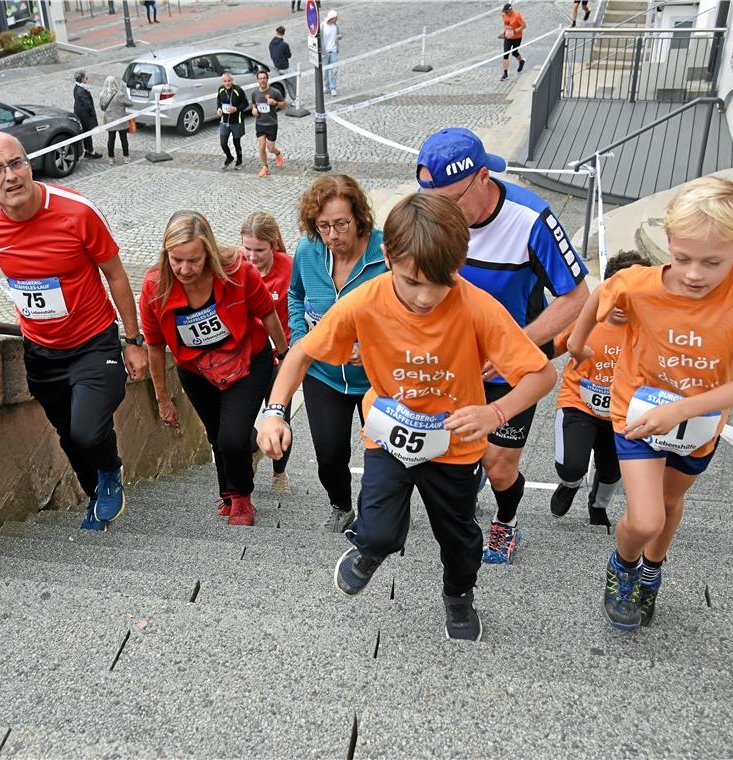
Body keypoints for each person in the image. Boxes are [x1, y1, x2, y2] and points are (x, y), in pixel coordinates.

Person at [259, 193, 556, 641]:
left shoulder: (477, 307)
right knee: (374, 530)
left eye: (441, 282)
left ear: (460, 262)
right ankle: (370, 550)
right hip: (388, 436)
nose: (425, 296)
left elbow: (542, 373)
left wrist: (496, 412)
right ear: (387, 256)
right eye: (411, 280)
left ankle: (459, 597)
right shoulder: (364, 301)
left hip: (454, 450)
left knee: (458, 541)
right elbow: (302, 352)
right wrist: (275, 412)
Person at [565, 176, 733, 631]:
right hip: (636, 413)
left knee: (669, 502)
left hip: (697, 426)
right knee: (644, 518)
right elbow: (605, 289)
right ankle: (623, 566)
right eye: (682, 259)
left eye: (712, 262)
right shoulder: (641, 284)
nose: (694, 274)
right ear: (668, 241)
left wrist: (683, 409)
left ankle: (652, 570)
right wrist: (579, 342)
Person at [416, 127, 588, 565]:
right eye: (435, 201)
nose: (442, 214)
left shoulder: (532, 218)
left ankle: (506, 521)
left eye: (452, 200)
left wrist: (514, 345)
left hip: (513, 364)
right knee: (456, 449)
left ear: (484, 177)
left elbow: (577, 297)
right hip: (454, 358)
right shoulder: (432, 212)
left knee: (498, 463)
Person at [0, 132, 146, 531]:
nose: (10, 176)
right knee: (68, 436)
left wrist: (133, 342)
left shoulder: (77, 212)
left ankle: (110, 469)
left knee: (86, 431)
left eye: (16, 163)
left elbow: (115, 275)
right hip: (41, 350)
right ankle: (95, 496)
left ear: (29, 165)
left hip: (93, 342)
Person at [140, 211, 289, 526]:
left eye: (193, 260)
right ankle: (229, 494)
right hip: (196, 370)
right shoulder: (155, 287)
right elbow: (154, 346)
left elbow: (268, 314)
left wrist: (284, 354)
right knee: (216, 435)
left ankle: (243, 497)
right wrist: (162, 399)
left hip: (249, 359)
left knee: (232, 438)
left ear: (208, 252)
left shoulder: (239, 273)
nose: (184, 269)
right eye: (176, 260)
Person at [288, 174, 388, 532]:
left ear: (359, 218)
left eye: (341, 225)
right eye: (323, 226)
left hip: (376, 378)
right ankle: (341, 505)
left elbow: (410, 310)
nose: (332, 236)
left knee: (382, 457)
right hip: (323, 373)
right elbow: (295, 295)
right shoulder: (307, 250)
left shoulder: (386, 252)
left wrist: (376, 346)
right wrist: (301, 336)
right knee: (329, 455)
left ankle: (378, 516)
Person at [550, 250, 652, 528]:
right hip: (578, 403)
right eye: (615, 292)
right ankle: (570, 484)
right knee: (571, 466)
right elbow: (549, 348)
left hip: (622, 411)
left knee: (611, 472)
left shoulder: (649, 328)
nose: (620, 302)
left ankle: (598, 506)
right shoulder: (584, 317)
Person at [240, 211, 294, 492]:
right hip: (245, 357)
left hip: (279, 358)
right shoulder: (236, 267)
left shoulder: (290, 267)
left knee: (278, 416)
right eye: (246, 248)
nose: (251, 256)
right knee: (239, 422)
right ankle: (254, 447)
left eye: (259, 250)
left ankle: (279, 474)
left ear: (273, 244)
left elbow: (301, 309)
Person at [252, 69, 286, 178]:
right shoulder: (255, 93)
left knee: (270, 148)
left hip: (271, 124)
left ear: (267, 79)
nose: (262, 80)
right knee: (262, 147)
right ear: (257, 80)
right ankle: (265, 167)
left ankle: (278, 153)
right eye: (260, 78)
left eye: (264, 78)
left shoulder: (274, 92)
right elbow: (253, 104)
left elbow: (284, 104)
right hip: (260, 124)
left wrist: (275, 102)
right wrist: (254, 110)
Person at [216, 72, 249, 171]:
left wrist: (236, 108)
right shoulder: (221, 89)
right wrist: (218, 108)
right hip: (225, 121)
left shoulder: (238, 90)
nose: (227, 83)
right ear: (222, 82)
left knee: (236, 143)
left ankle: (239, 161)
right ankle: (229, 157)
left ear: (232, 81)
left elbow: (245, 103)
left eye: (229, 81)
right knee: (223, 143)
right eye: (225, 81)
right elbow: (218, 100)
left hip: (236, 121)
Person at [99, 76, 132, 165]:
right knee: (123, 139)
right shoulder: (119, 95)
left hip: (110, 121)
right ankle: (126, 157)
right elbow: (130, 103)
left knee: (111, 139)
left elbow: (102, 108)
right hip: (120, 120)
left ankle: (111, 158)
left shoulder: (103, 95)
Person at [72, 71, 102, 159]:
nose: (87, 79)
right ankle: (91, 151)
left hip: (81, 114)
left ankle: (87, 150)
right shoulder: (81, 91)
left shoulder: (77, 88)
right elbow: (87, 105)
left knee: (86, 134)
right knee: (87, 134)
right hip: (85, 116)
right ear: (82, 79)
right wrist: (92, 112)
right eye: (86, 78)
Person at [269, 26, 297, 108]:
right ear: (284, 33)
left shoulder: (271, 43)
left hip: (277, 67)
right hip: (285, 67)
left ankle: (294, 99)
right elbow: (289, 55)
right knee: (293, 81)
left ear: (276, 32)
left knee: (288, 83)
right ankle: (295, 99)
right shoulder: (284, 45)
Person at [500, 3, 526, 81]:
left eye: (507, 11)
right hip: (508, 37)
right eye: (504, 11)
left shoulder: (517, 15)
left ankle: (521, 61)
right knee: (505, 54)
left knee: (514, 53)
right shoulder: (503, 14)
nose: (505, 13)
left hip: (517, 37)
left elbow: (524, 26)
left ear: (510, 11)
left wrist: (514, 31)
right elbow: (505, 23)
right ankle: (505, 73)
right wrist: (505, 32)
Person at [323, 9, 342, 96]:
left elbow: (339, 34)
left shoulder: (336, 26)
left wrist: (339, 37)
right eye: (336, 18)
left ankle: (333, 87)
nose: (337, 19)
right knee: (326, 70)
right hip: (325, 52)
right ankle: (326, 86)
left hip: (334, 50)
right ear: (332, 18)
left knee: (334, 70)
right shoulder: (322, 26)